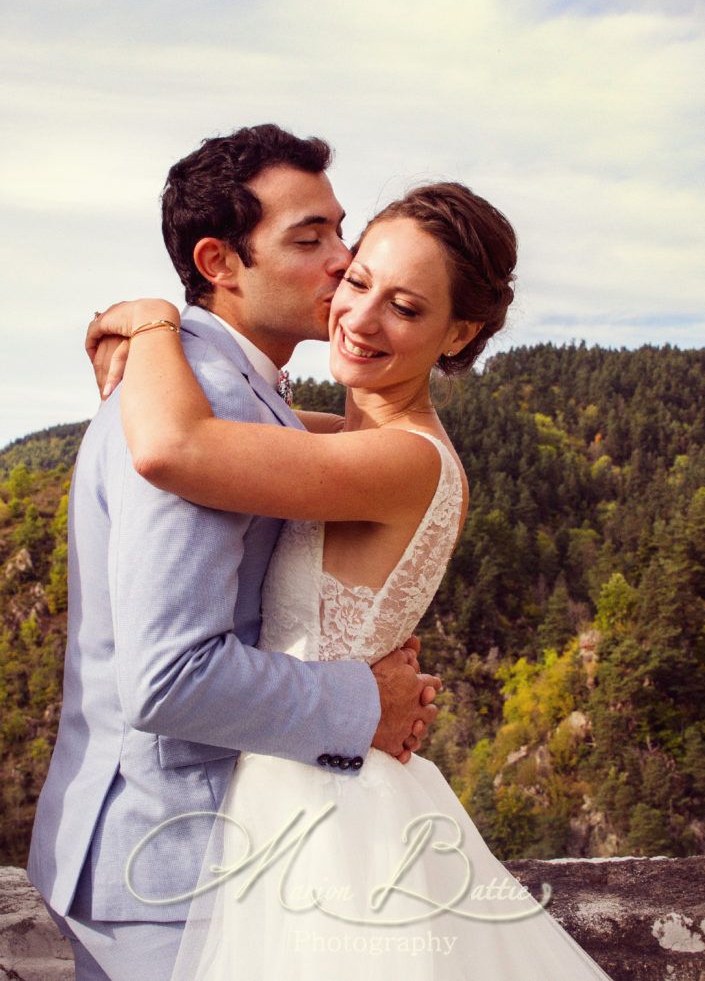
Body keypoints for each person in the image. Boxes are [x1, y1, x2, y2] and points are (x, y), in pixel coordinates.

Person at [86, 181, 615, 980]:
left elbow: (176, 446)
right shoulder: (343, 435)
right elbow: (231, 413)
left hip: (323, 802)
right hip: (300, 772)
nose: (361, 319)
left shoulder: (401, 458)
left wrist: (151, 317)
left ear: (457, 332)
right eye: (358, 281)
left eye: (404, 308)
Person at [27, 125, 443, 981]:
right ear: (219, 261)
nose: (341, 260)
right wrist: (365, 701)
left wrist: (143, 322)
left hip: (189, 851)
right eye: (308, 238)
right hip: (167, 868)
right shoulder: (206, 400)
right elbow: (168, 677)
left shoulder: (225, 391)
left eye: (341, 230)